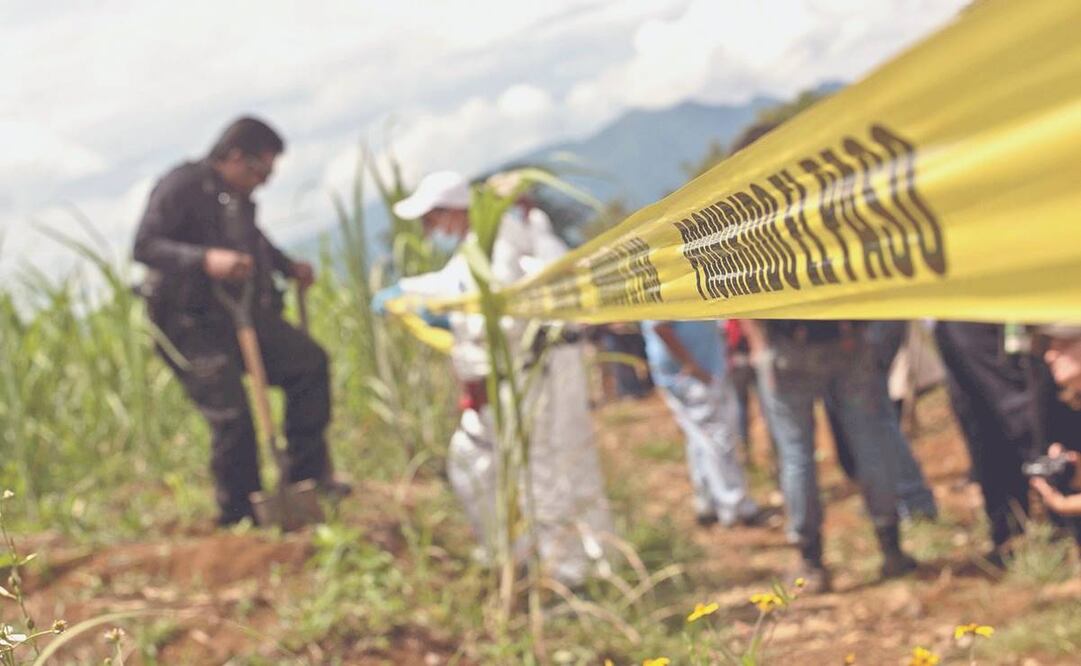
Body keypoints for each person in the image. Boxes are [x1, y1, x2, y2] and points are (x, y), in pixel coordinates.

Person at [374, 171, 612, 586]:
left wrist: (450, 311)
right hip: (521, 373)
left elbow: (502, 306)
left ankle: (574, 571)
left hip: (543, 367)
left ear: (451, 212)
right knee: (543, 464)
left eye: (432, 219)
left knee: (551, 465)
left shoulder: (507, 239)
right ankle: (571, 560)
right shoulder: (476, 247)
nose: (431, 230)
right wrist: (408, 293)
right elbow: (452, 283)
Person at [133, 116, 347, 526]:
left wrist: (286, 266)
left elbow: (253, 240)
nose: (264, 181)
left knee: (309, 365)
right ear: (234, 157)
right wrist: (204, 260)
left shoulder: (236, 199)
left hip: (241, 316)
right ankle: (240, 513)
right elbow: (145, 245)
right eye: (261, 170)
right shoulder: (182, 186)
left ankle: (307, 480)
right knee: (232, 416)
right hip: (188, 324)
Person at [641, 320, 760, 527]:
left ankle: (707, 502)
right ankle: (734, 506)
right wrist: (693, 366)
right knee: (718, 439)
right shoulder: (665, 291)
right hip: (695, 375)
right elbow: (660, 326)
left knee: (700, 440)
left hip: (691, 372)